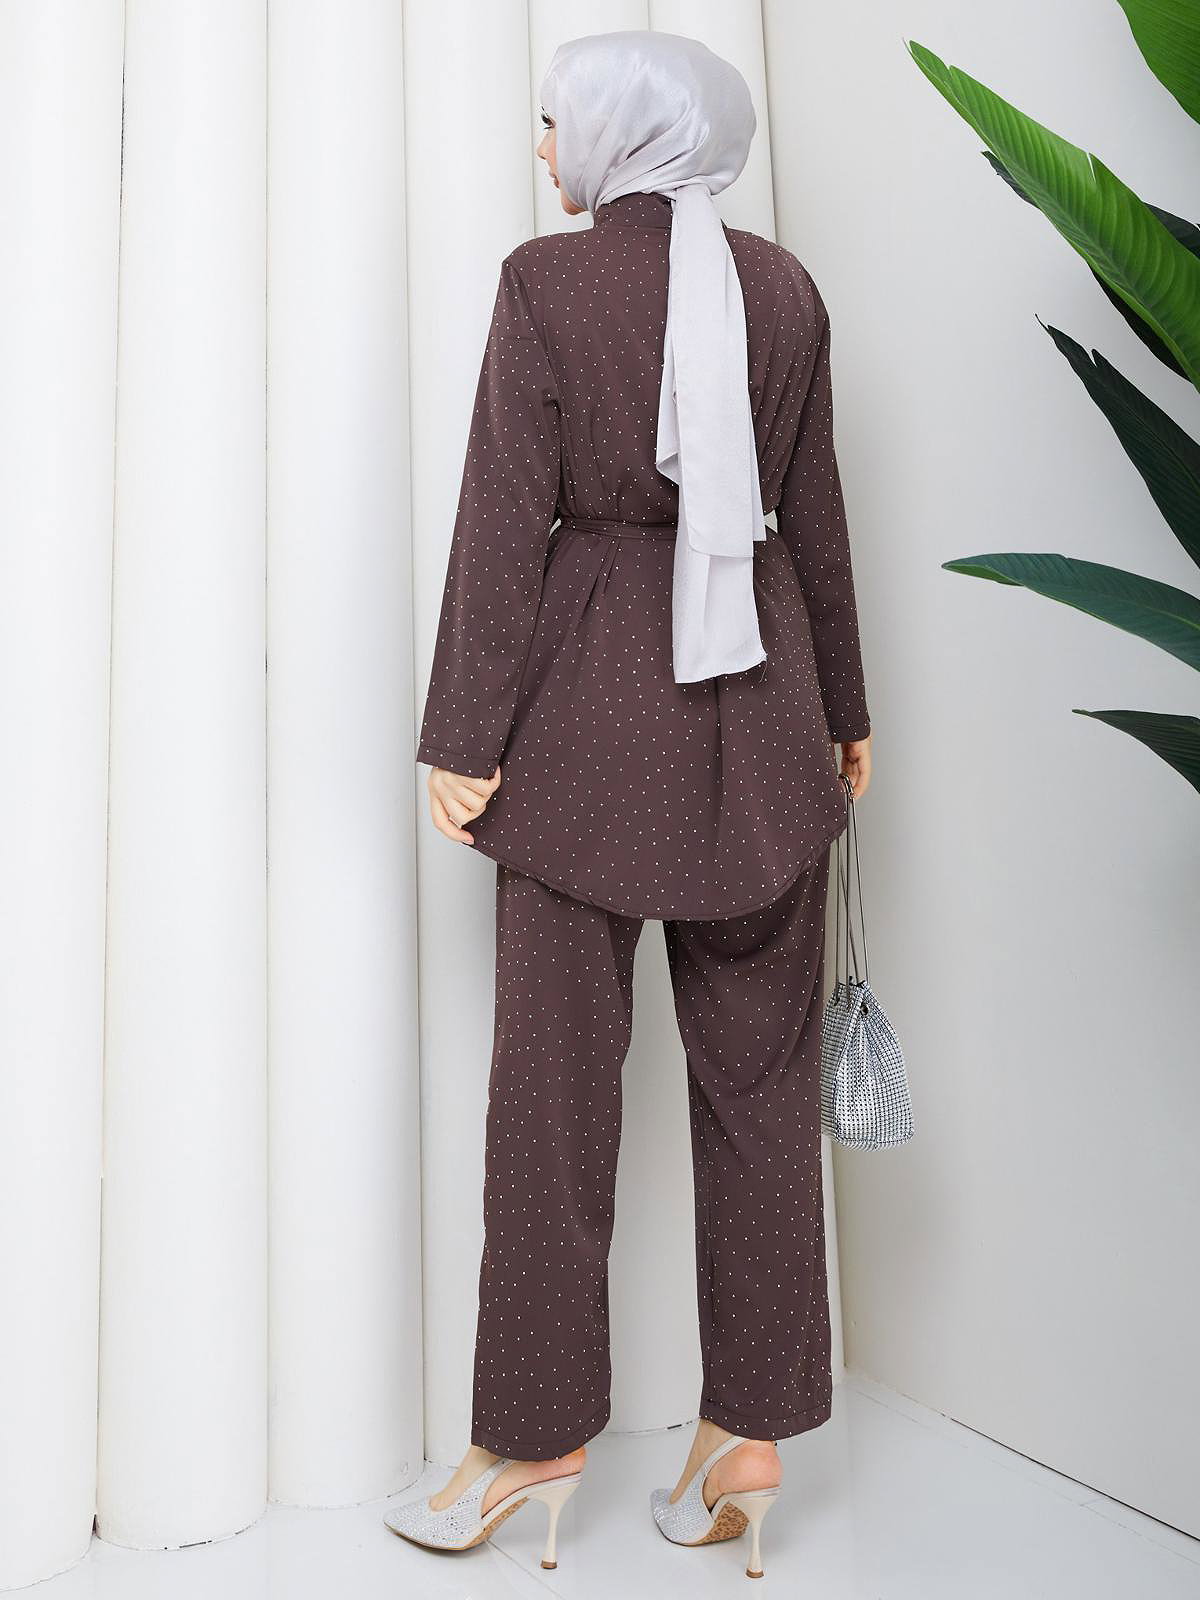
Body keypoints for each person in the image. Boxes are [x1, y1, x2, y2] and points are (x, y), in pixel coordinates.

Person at [384, 28, 872, 1580]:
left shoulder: (548, 285)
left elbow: (502, 515)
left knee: (551, 1106)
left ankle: (529, 1443)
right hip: (765, 724)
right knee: (760, 1097)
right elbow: (818, 517)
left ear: (622, 132)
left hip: (583, 733)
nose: (545, 148)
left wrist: (461, 735)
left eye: (557, 121)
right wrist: (846, 714)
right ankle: (747, 1440)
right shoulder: (784, 293)